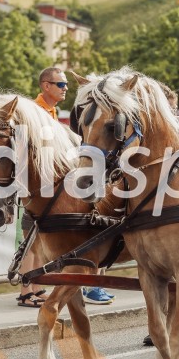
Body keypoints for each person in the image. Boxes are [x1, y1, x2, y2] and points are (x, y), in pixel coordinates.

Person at [36, 67, 114, 306]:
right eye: (61, 84)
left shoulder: (53, 111)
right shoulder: (37, 112)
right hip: (47, 188)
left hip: (64, 181)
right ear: (46, 86)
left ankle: (91, 285)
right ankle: (31, 290)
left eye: (66, 84)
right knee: (35, 244)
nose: (65, 88)